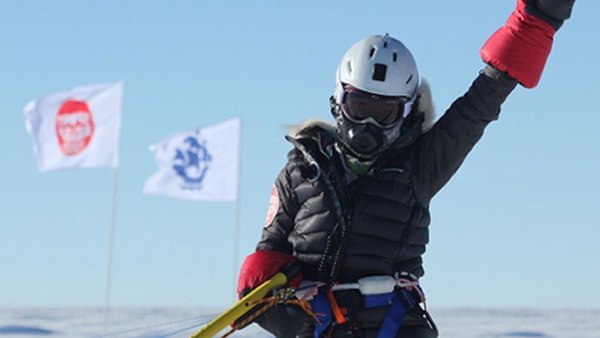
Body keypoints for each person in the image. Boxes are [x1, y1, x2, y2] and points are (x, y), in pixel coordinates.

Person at [237, 1, 575, 337]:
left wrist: (535, 22)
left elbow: (481, 104)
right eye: (360, 105)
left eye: (384, 112)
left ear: (407, 112)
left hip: (394, 326)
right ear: (338, 102)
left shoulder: (422, 164)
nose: (367, 124)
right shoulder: (302, 167)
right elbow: (271, 252)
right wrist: (280, 307)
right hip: (319, 325)